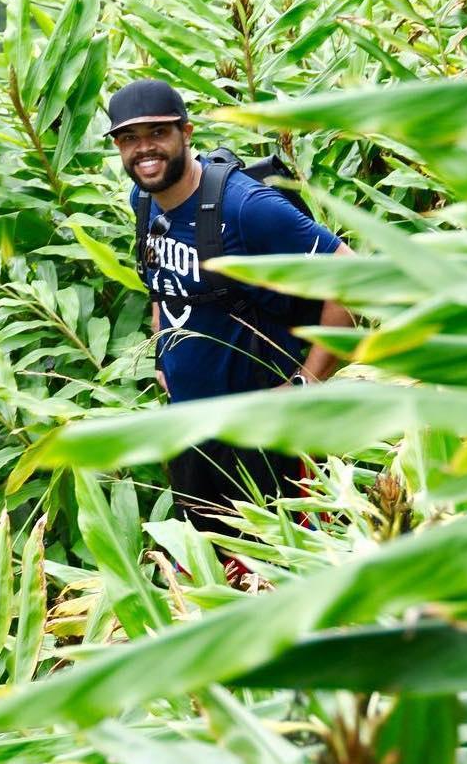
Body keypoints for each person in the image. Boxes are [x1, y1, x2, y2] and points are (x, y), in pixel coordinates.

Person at [104, 77, 355, 537]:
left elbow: (352, 277)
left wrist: (307, 385)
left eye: (158, 133)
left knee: (284, 566)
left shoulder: (245, 207)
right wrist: (164, 354)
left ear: (186, 132)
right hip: (192, 429)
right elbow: (163, 280)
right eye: (129, 139)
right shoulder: (144, 199)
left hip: (267, 434)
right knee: (213, 571)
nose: (144, 150)